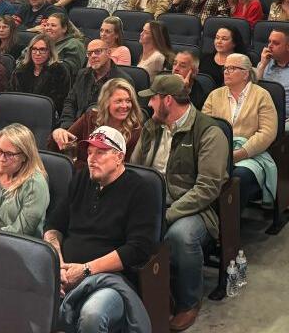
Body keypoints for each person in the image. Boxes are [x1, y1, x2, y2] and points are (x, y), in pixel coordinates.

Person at [130, 74, 229, 331]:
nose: (149, 104)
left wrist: (170, 213)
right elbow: (135, 168)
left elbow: (207, 188)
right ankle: (136, 294)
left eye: (153, 98)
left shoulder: (209, 132)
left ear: (168, 100)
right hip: (153, 199)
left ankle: (188, 302)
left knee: (180, 236)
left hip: (193, 207)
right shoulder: (153, 126)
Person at [44, 125, 156, 333]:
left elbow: (138, 248)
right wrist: (57, 263)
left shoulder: (140, 190)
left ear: (119, 157)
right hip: (63, 274)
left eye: (100, 152)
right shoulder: (80, 179)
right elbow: (53, 226)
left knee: (92, 315)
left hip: (110, 281)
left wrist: (85, 269)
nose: (91, 159)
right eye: (89, 152)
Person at [202, 53, 278, 211]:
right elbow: (205, 127)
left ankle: (230, 226)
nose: (226, 72)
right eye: (225, 68)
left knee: (238, 176)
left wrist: (240, 153)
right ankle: (207, 216)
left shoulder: (262, 96)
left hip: (250, 154)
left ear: (245, 74)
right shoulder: (214, 95)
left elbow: (267, 132)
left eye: (231, 68)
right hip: (219, 151)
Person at [52, 77, 143, 172]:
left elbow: (125, 169)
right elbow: (65, 145)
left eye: (128, 101)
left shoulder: (135, 131)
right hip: (81, 176)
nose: (124, 106)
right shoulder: (91, 118)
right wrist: (57, 133)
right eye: (119, 101)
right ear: (106, 102)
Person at [57, 40, 131, 132]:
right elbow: (70, 102)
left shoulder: (121, 80)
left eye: (97, 52)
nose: (93, 56)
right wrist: (66, 126)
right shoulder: (82, 74)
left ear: (108, 53)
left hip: (102, 131)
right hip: (75, 127)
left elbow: (122, 114)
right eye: (89, 53)